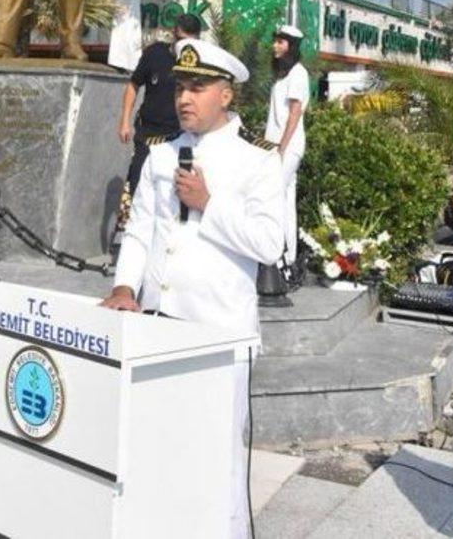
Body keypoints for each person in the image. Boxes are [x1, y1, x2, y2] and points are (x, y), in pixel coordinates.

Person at [102, 38, 284, 538]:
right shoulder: (161, 155)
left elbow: (271, 244)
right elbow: (141, 230)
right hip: (159, 329)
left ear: (225, 95)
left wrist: (210, 202)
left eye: (197, 87)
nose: (184, 97)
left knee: (217, 463)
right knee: (159, 452)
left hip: (219, 334)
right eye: (181, 86)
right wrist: (123, 287)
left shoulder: (258, 160)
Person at [118, 12, 203, 195]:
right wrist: (125, 120)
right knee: (138, 183)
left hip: (180, 136)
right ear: (173, 33)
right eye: (180, 40)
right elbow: (133, 85)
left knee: (172, 191)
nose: (184, 46)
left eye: (190, 42)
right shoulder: (155, 53)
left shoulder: (200, 61)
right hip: (149, 134)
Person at [265, 24, 310, 266]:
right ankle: (288, 257)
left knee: (272, 196)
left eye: (281, 42)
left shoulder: (298, 74)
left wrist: (281, 148)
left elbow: (295, 113)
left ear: (291, 46)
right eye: (275, 41)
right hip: (276, 145)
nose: (275, 46)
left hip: (288, 146)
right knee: (284, 201)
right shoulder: (284, 75)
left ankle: (277, 257)